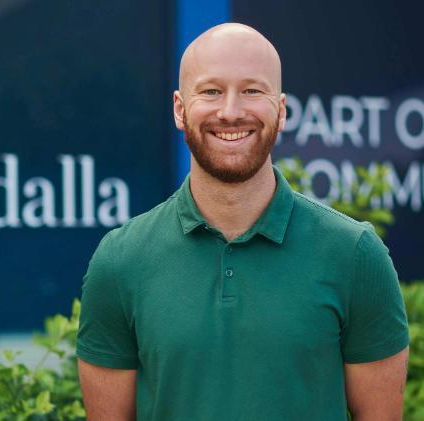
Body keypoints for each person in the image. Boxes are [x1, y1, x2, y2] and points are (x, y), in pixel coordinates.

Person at [76, 23, 409, 420]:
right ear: (180, 109)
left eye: (252, 90)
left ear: (281, 110)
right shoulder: (120, 260)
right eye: (211, 91)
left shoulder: (355, 254)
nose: (231, 112)